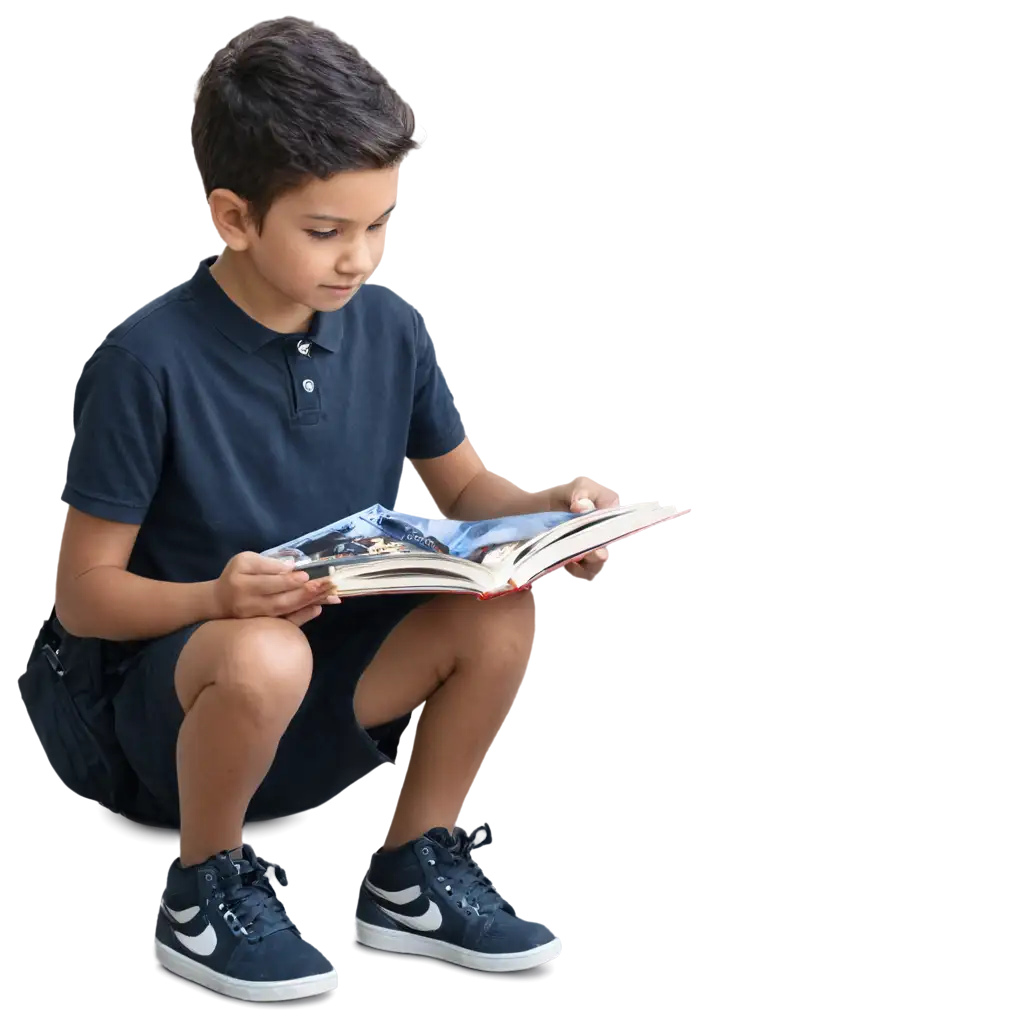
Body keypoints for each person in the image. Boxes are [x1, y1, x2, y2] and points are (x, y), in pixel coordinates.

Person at [40, 15, 616, 1005]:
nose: (363, 258)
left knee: (495, 612)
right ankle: (203, 884)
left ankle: (410, 873)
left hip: (322, 684)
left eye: (381, 222)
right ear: (232, 217)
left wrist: (547, 514)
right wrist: (216, 597)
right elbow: (84, 597)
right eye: (326, 232)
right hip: (166, 716)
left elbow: (466, 490)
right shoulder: (144, 362)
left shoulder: (391, 327)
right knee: (263, 648)